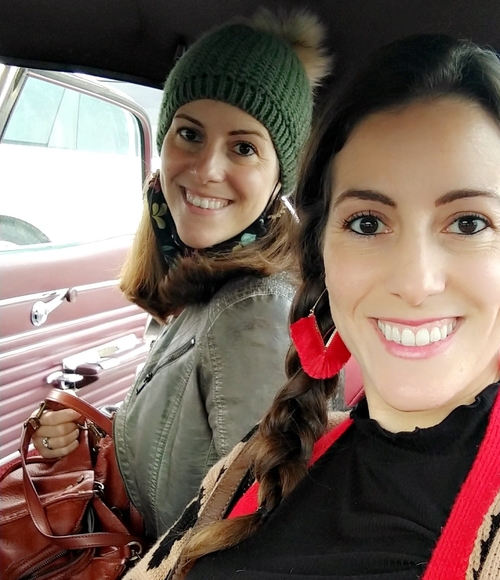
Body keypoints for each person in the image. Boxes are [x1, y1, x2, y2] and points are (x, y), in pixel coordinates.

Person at [123, 34, 500, 579]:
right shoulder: (258, 459)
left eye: (468, 223)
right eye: (367, 223)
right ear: (323, 249)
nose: (415, 282)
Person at [29, 8, 331, 541]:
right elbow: (180, 445)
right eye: (190, 134)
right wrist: (97, 432)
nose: (206, 168)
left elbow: (257, 540)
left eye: (243, 147)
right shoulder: (208, 281)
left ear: (277, 178)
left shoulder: (254, 313)